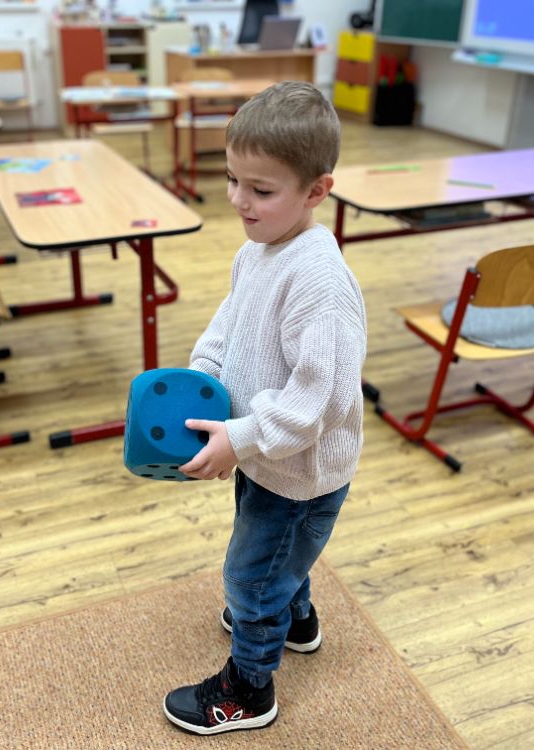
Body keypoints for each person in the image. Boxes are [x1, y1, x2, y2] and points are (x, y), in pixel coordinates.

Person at [162, 81, 367, 735]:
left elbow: (317, 403)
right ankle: (296, 620)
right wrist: (203, 379)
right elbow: (227, 327)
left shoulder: (320, 283)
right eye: (232, 180)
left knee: (251, 574)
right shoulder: (257, 249)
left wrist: (242, 437)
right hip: (262, 452)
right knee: (278, 558)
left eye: (260, 189)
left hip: (299, 473)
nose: (238, 200)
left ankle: (249, 689)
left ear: (316, 191)